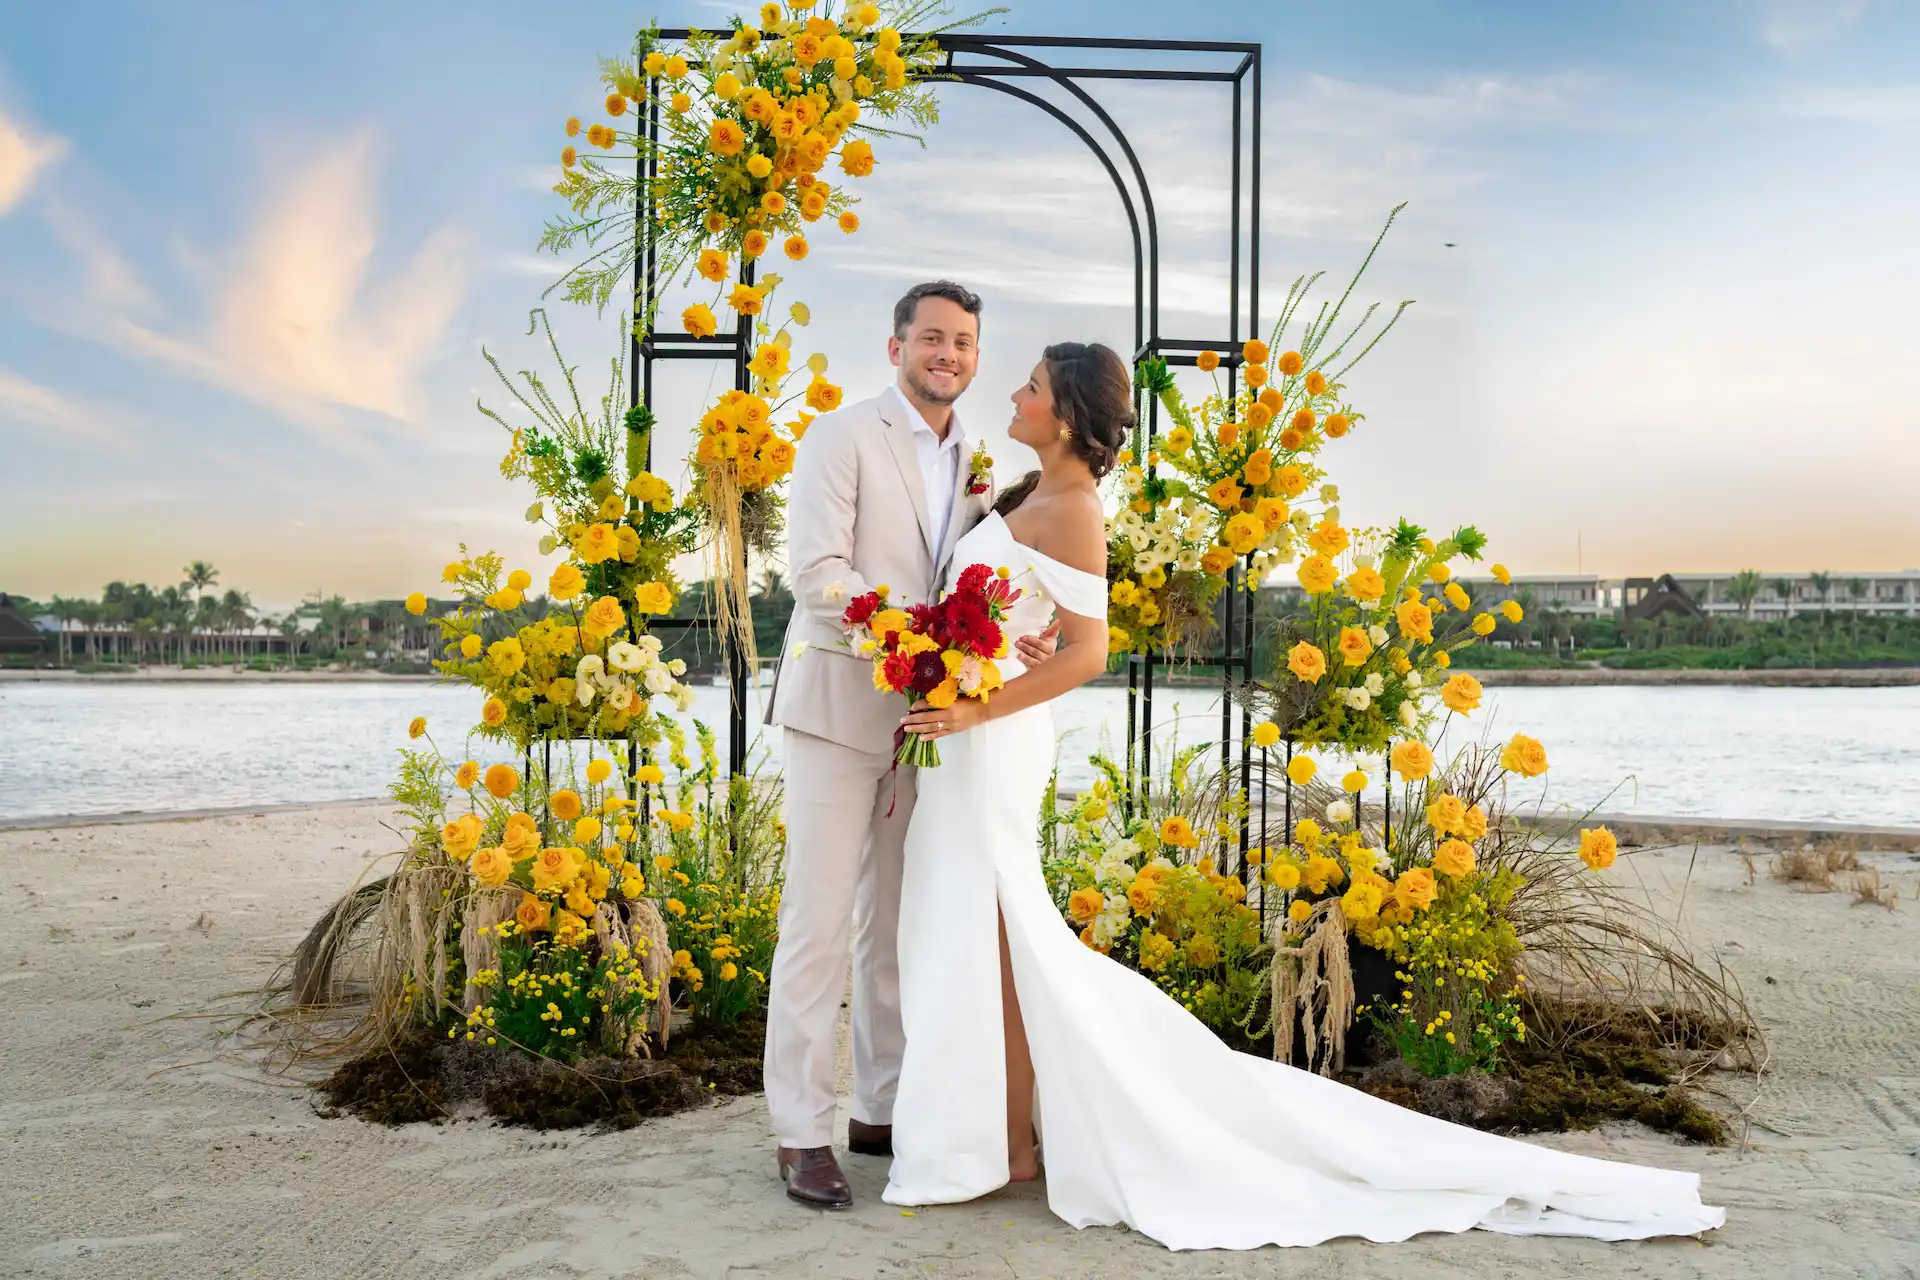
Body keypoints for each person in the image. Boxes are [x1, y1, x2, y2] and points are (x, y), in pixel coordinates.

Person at [879, 342, 1727, 1249]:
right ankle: (1006, 1141)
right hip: (969, 731)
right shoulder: (1024, 498)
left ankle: (1005, 1140)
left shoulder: (1077, 508)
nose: (1015, 390)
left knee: (996, 928)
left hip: (989, 741)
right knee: (987, 936)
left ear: (1072, 416)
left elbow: (1092, 651)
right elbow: (1028, 619)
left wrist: (980, 708)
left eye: (1034, 386)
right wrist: (978, 656)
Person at [762, 280, 1055, 1208]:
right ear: (896, 348)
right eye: (932, 337)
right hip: (838, 708)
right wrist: (916, 640)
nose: (949, 354)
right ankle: (800, 1132)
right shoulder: (840, 436)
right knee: (814, 922)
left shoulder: (977, 457)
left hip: (928, 727)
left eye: (964, 342)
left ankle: (878, 1110)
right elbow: (817, 576)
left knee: (893, 921)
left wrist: (1012, 639)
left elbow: (983, 581)